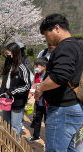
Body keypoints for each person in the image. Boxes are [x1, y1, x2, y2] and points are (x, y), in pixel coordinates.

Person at [35, 14, 83, 152]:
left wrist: (40, 88)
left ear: (56, 28)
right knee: (69, 149)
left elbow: (60, 76)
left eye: (46, 35)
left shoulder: (65, 46)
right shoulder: (76, 45)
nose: (46, 39)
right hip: (71, 107)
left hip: (62, 110)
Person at [0, 42, 30, 136]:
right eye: (6, 54)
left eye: (8, 53)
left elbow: (27, 85)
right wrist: (0, 93)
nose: (7, 55)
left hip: (17, 101)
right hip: (6, 100)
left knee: (15, 126)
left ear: (15, 53)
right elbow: (4, 82)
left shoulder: (22, 68)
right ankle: (6, 143)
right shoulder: (7, 65)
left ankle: (15, 147)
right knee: (6, 123)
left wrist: (13, 91)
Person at [27, 57, 48, 142]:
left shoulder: (49, 76)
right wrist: (30, 94)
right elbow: (34, 86)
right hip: (38, 102)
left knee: (48, 123)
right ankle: (36, 136)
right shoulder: (37, 75)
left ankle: (48, 141)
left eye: (37, 66)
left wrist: (39, 85)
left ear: (44, 66)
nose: (36, 67)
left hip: (47, 103)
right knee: (37, 120)